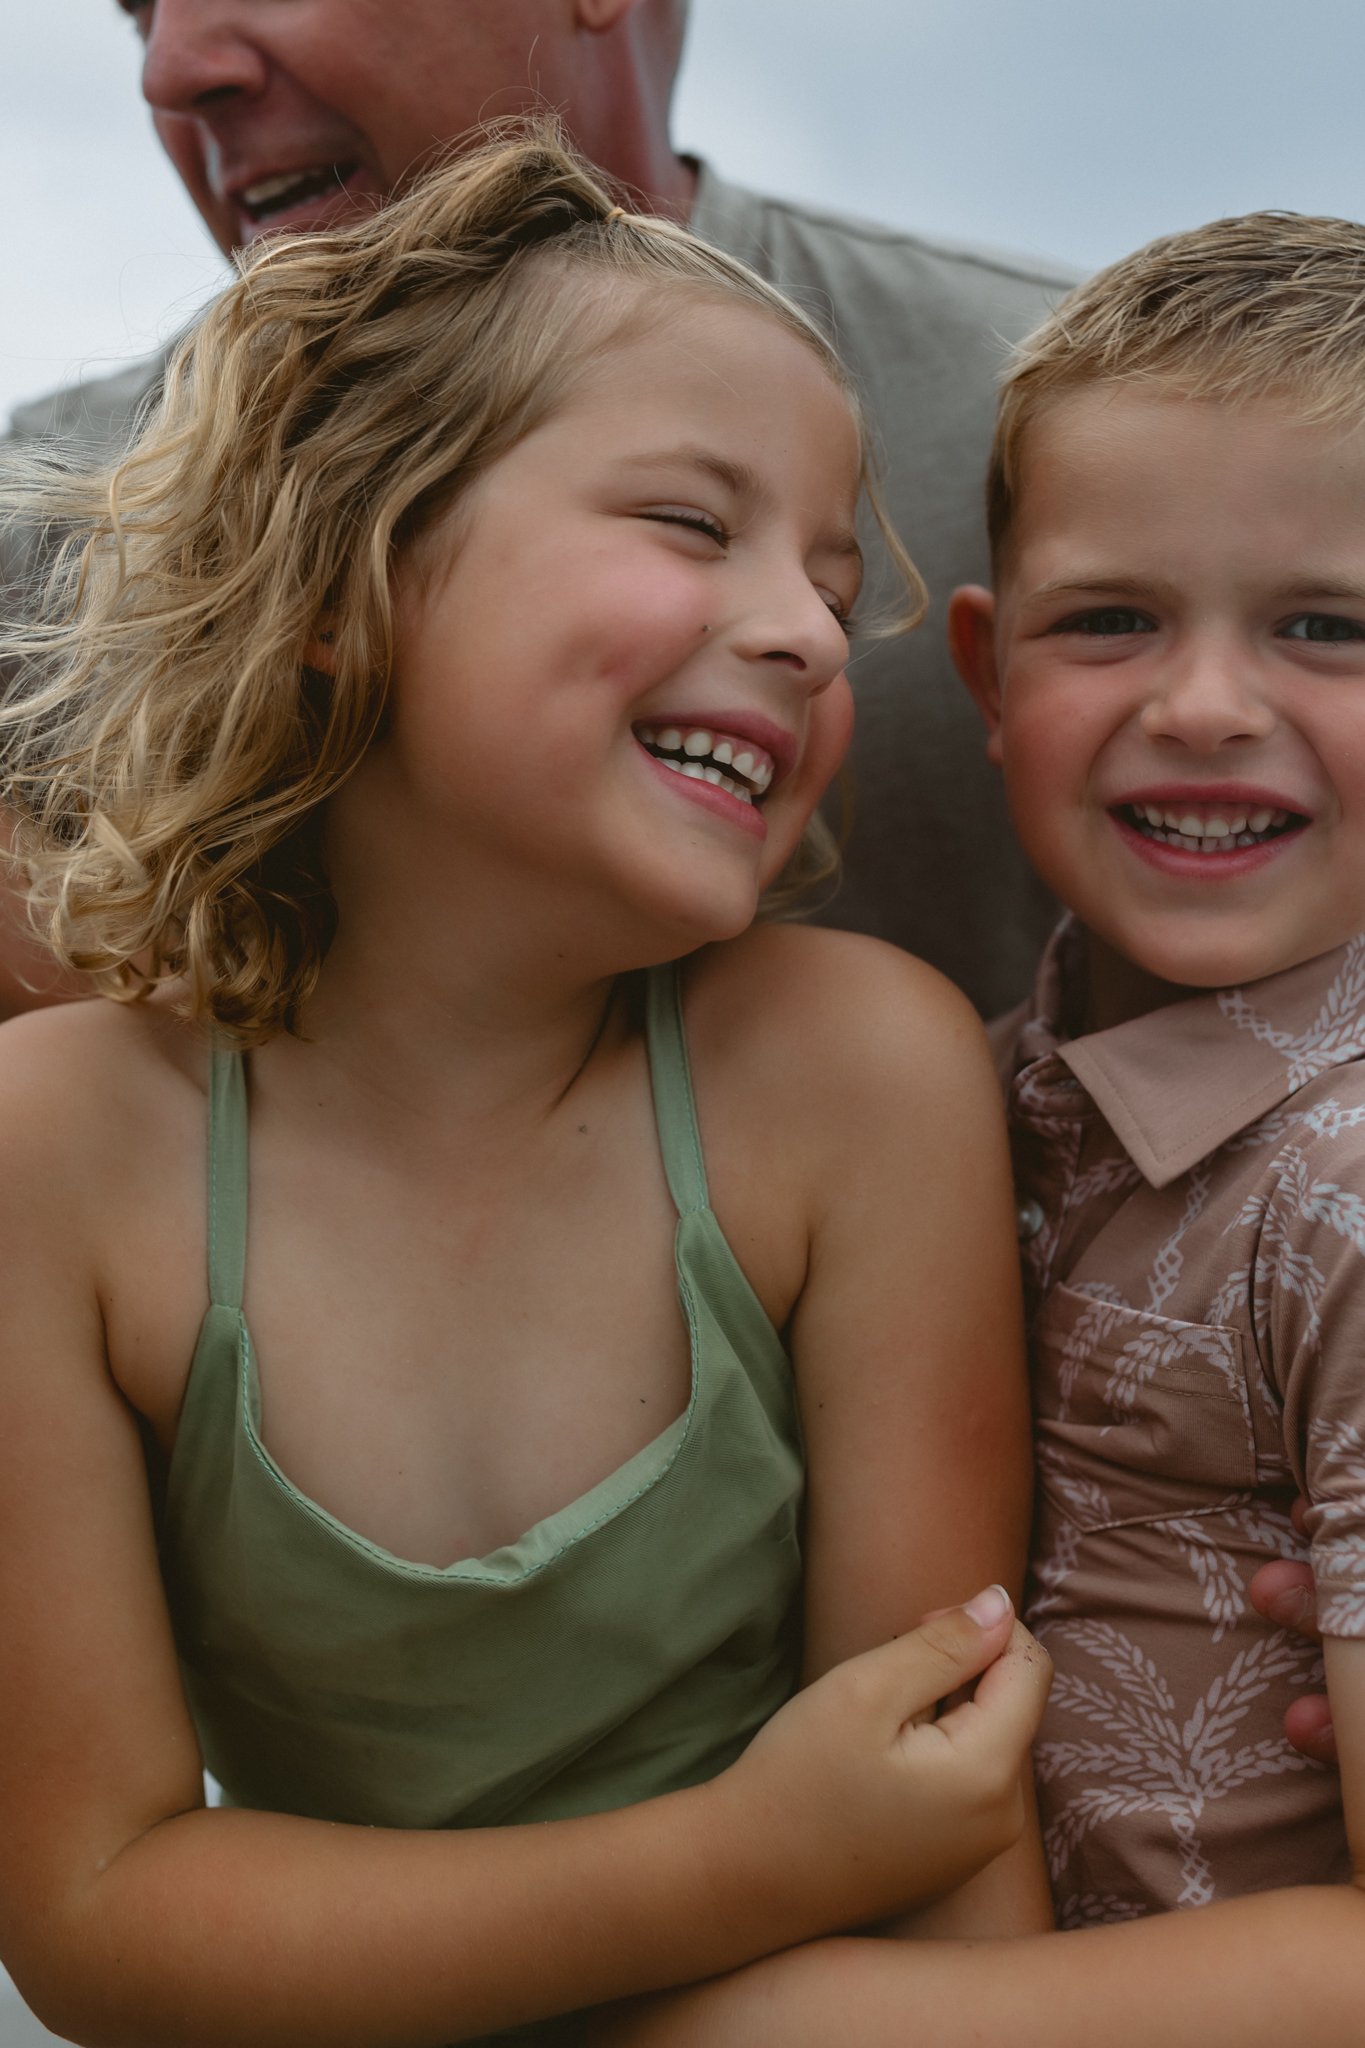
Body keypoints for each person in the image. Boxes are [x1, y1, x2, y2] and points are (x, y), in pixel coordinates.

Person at [0, 129, 1052, 2047]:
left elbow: (944, 1863)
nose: (815, 631)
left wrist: (818, 1859)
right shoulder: (61, 1150)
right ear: (341, 573)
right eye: (687, 522)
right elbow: (102, 1902)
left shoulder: (852, 1080)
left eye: (829, 577)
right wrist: (747, 1854)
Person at [595, 210, 1365, 2044]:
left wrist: (818, 2019)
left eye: (1329, 625)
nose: (1203, 706)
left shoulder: (1346, 1193)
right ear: (988, 675)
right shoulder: (952, 1098)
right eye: (1111, 619)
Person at [0, 0, 1074, 1021]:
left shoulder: (1074, 413)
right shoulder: (39, 512)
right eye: (140, 10)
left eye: (842, 600)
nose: (173, 68)